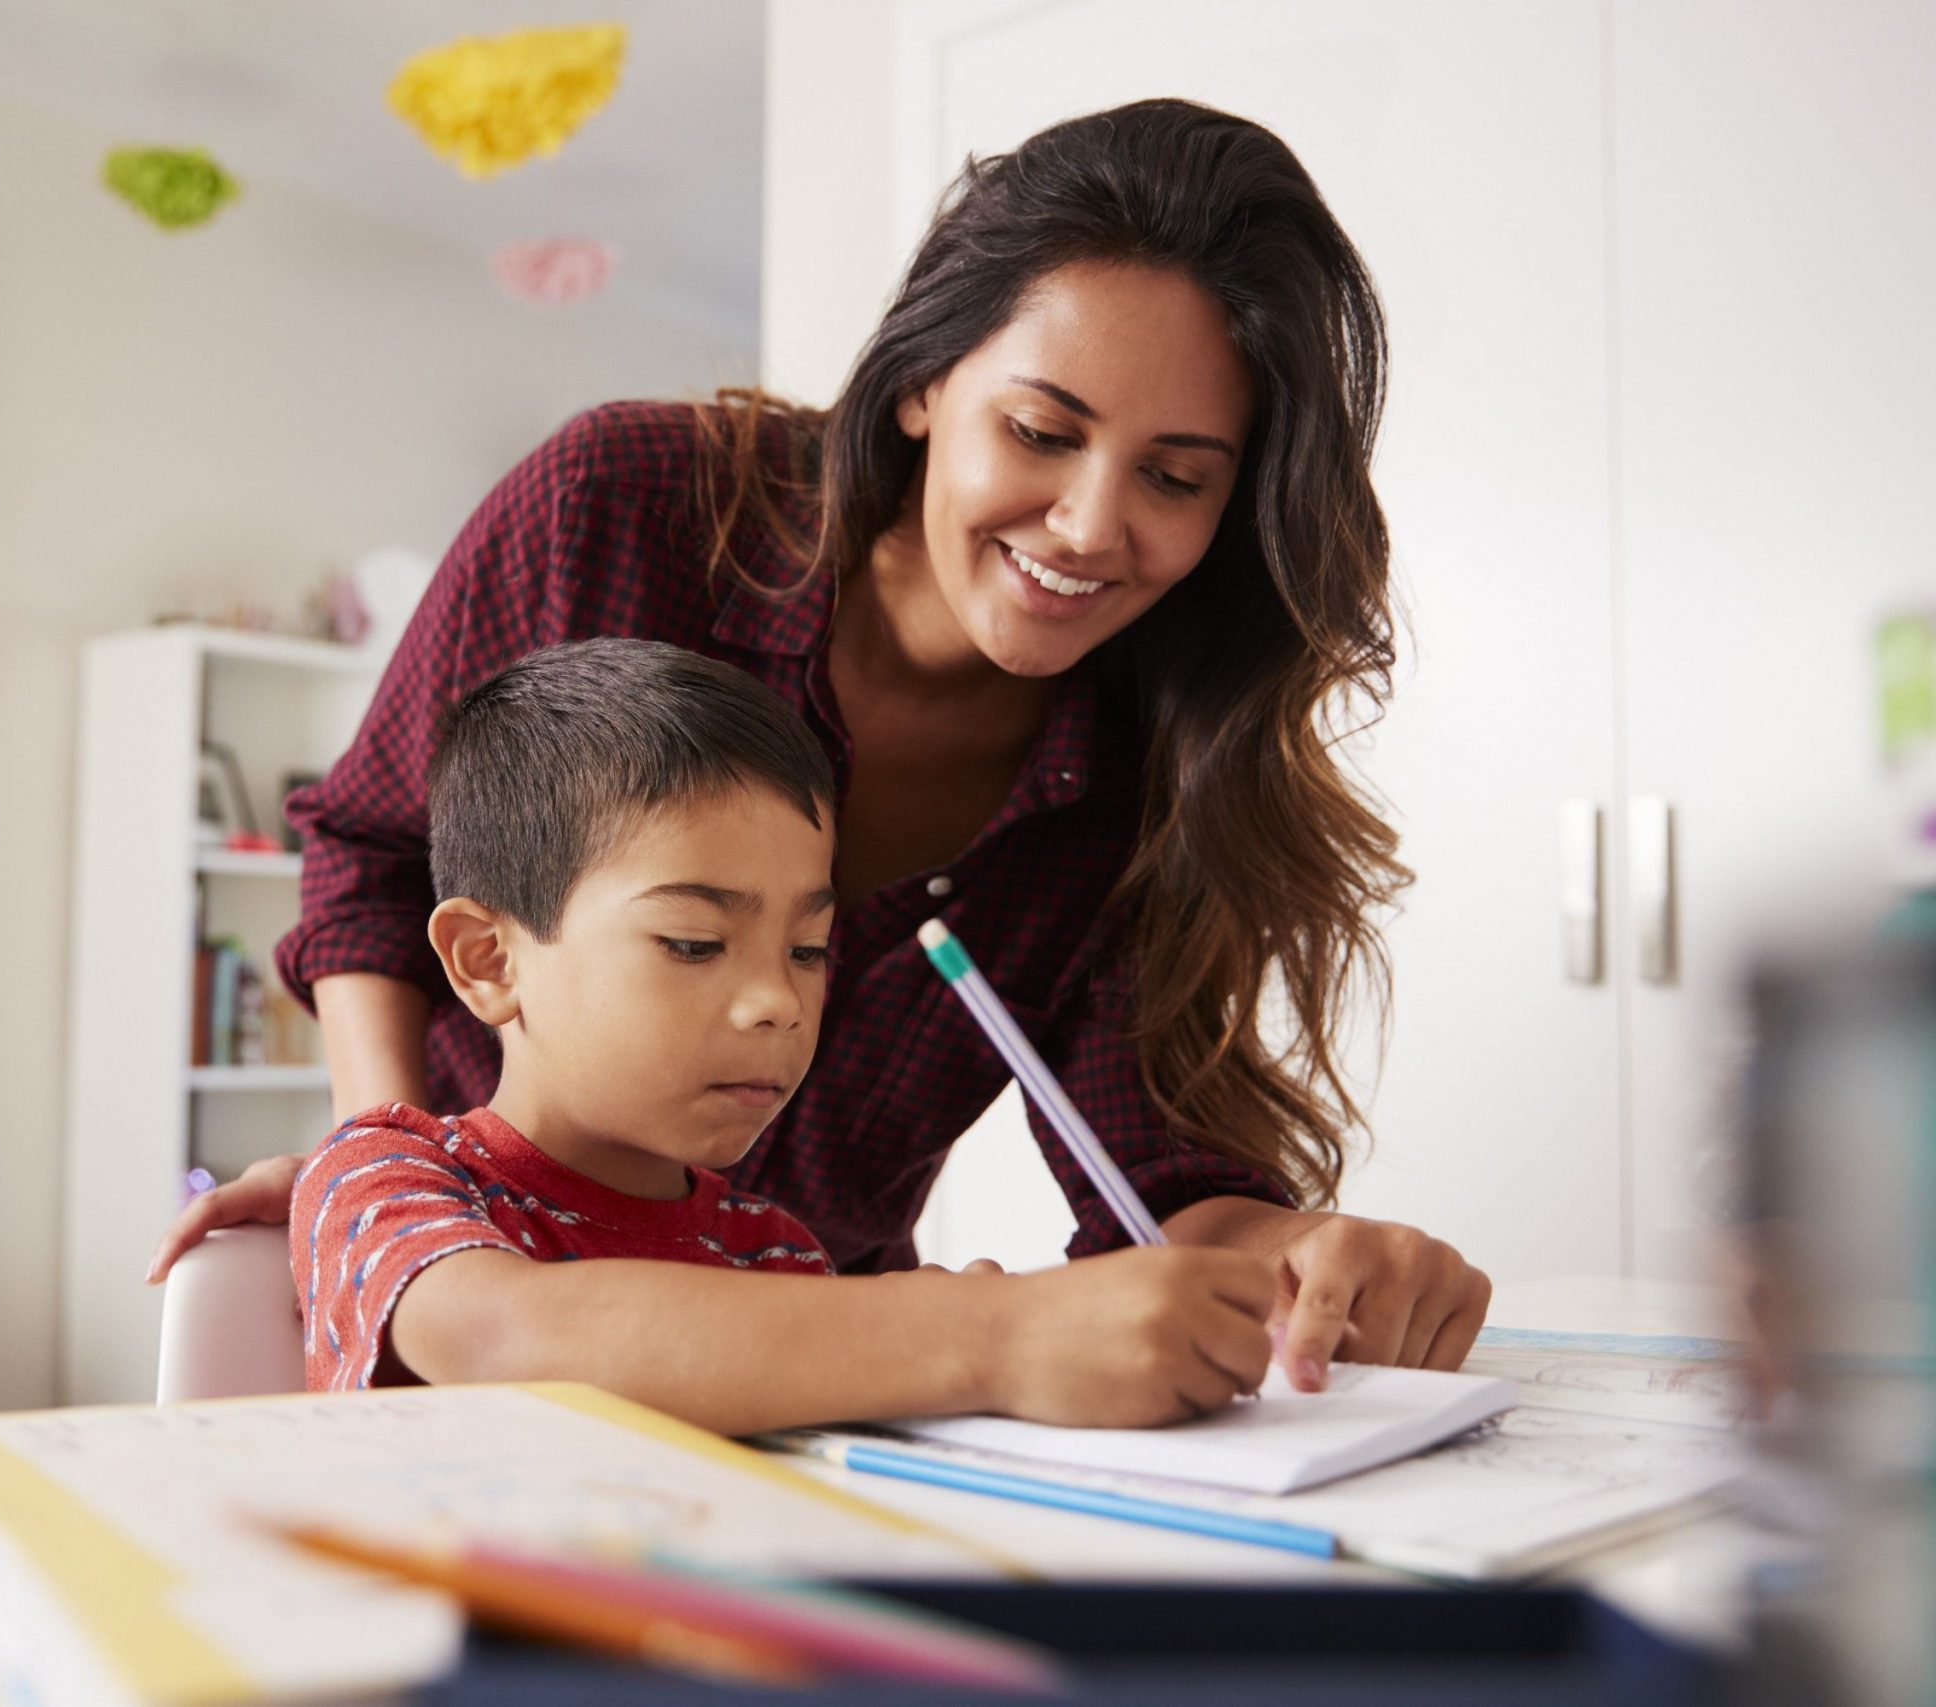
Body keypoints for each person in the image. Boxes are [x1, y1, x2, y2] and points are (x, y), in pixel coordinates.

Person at [153, 97, 1491, 1391]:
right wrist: (381, 1153)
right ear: (922, 381)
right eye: (1040, 431)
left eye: (1177, 476)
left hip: (813, 1380)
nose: (1089, 523)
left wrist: (1299, 1257)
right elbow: (377, 856)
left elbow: (1159, 1190)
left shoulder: (1153, 767)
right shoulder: (620, 506)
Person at [293, 637, 1277, 1436]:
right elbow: (506, 1341)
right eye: (693, 941)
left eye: (808, 949)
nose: (777, 1001)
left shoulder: (770, 1257)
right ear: (487, 960)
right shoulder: (386, 1175)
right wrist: (987, 1335)